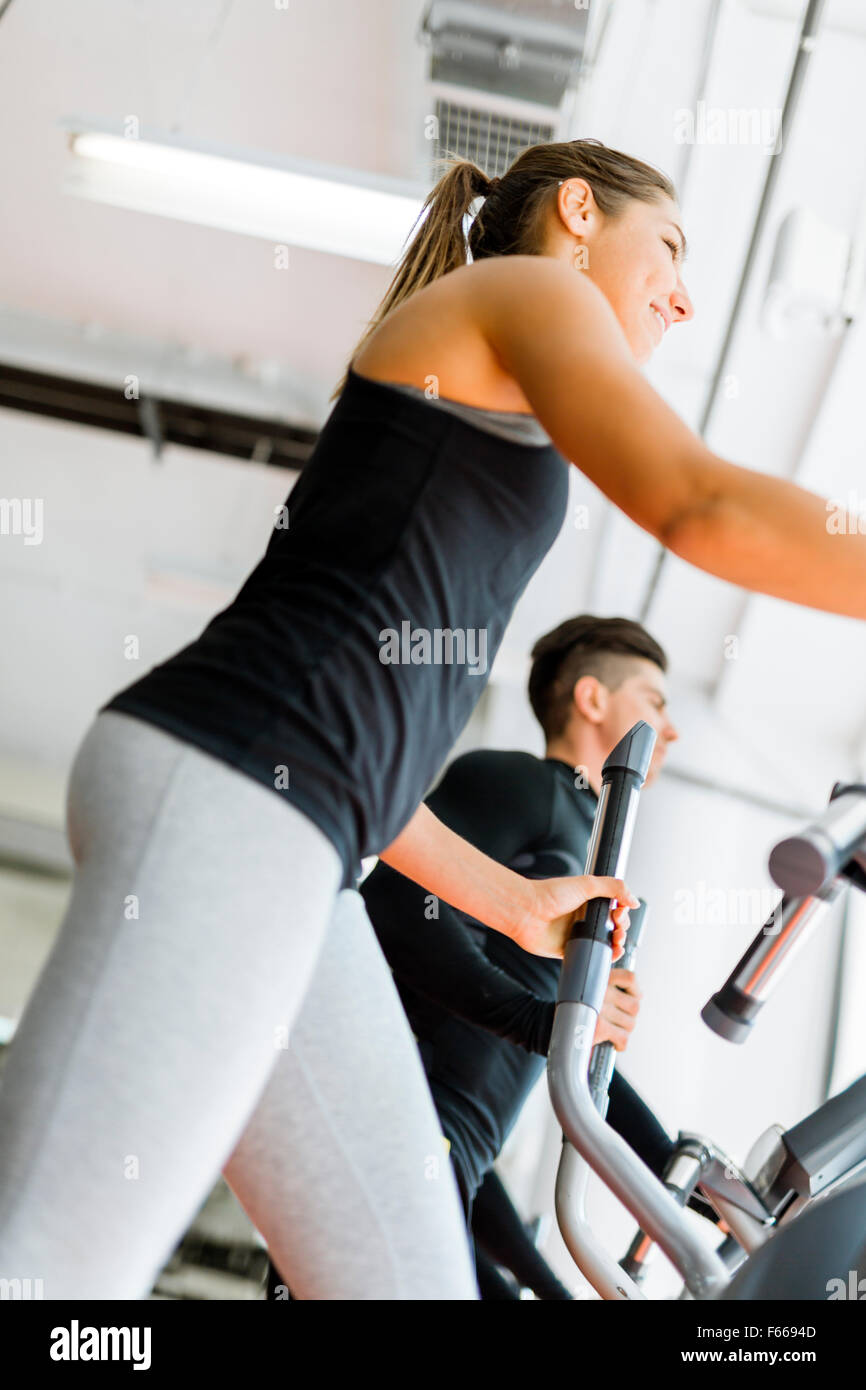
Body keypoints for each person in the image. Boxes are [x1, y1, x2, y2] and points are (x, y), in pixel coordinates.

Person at [1, 136, 863, 1302]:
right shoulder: (526, 290)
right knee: (54, 1271)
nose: (681, 293)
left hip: (296, 835)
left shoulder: (492, 376)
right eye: (665, 247)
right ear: (574, 212)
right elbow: (698, 505)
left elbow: (368, 767)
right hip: (226, 789)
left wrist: (511, 900)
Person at [266, 614, 681, 1303]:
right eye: (655, 703)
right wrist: (540, 1021)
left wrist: (676, 1175)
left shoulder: (590, 852)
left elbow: (539, 1077)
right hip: (381, 1132)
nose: (671, 729)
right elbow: (397, 905)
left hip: (435, 1159)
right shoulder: (522, 785)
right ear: (592, 699)